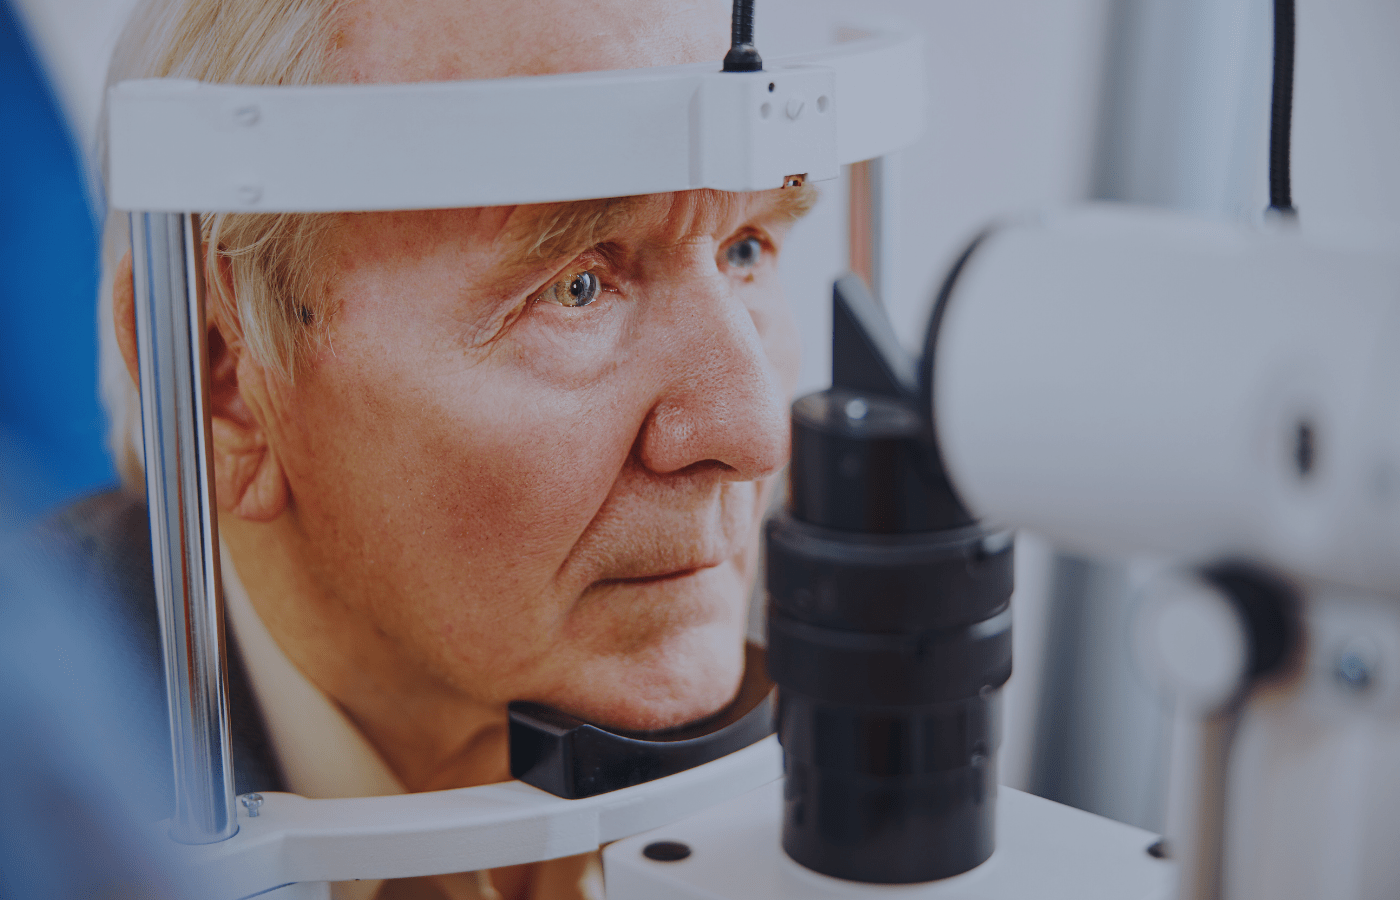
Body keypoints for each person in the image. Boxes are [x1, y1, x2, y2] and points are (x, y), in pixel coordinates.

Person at [68, 0, 816, 896]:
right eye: (576, 285)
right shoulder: (41, 810)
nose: (754, 430)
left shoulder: (827, 710)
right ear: (224, 374)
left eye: (744, 248)